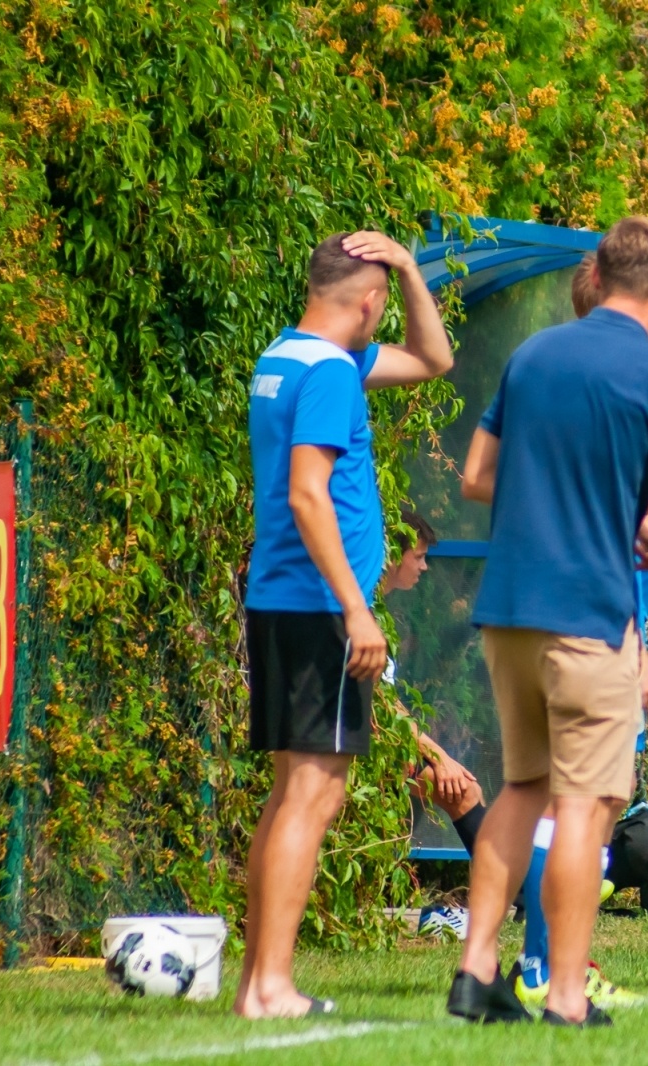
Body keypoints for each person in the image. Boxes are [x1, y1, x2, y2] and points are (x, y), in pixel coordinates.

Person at [447, 216, 648, 1028]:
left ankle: (475, 970)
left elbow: (476, 476)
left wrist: (551, 493)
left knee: (523, 790)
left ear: (598, 274)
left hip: (508, 609)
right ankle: (564, 995)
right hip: (588, 615)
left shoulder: (533, 354)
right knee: (585, 807)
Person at [237, 230, 452, 1019]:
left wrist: (406, 270)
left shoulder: (289, 356)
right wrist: (357, 608)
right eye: (385, 299)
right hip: (320, 608)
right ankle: (270, 987)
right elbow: (307, 492)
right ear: (369, 304)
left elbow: (431, 360)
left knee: (292, 794)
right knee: (313, 796)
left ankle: (257, 982)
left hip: (285, 600)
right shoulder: (330, 372)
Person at [377, 510, 487, 940]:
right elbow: (380, 707)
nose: (424, 566)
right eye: (419, 556)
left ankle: (494, 904)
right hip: (362, 752)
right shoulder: (361, 610)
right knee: (464, 790)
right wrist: (439, 758)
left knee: (464, 786)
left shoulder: (378, 611)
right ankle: (500, 904)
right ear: (393, 556)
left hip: (383, 746)